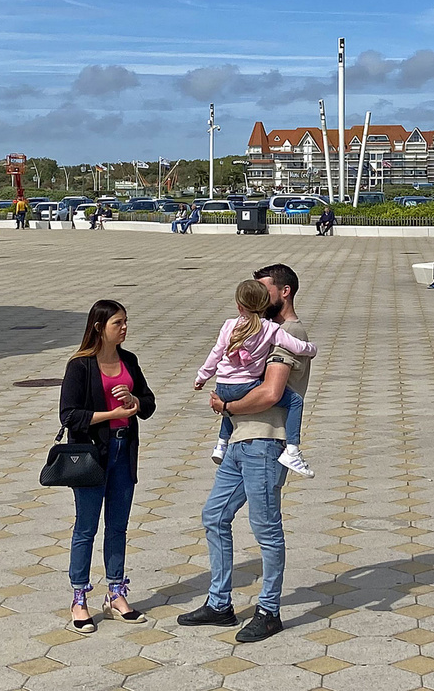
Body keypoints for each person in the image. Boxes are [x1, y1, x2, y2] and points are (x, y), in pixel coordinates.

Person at [180, 263, 309, 643]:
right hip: (240, 441)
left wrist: (227, 407)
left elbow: (271, 394)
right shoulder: (255, 330)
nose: (256, 295)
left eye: (263, 288)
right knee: (214, 515)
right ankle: (220, 604)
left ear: (283, 292)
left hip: (266, 442)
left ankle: (269, 610)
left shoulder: (288, 334)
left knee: (266, 528)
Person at [58, 299, 157, 633]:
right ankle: (79, 598)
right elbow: (69, 415)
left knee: (118, 526)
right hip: (91, 457)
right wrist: (111, 415)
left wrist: (134, 402)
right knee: (86, 528)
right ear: (100, 327)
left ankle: (116, 592)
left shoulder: (129, 360)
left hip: (123, 451)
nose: (125, 328)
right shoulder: (81, 366)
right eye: (118, 323)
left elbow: (149, 402)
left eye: (126, 322)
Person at [193, 279, 319, 476]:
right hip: (246, 385)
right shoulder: (269, 329)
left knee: (230, 398)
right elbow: (296, 346)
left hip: (222, 385)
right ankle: (293, 450)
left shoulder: (229, 325)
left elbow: (215, 353)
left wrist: (202, 376)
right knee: (295, 401)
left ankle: (221, 443)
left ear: (238, 305)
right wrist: (311, 349)